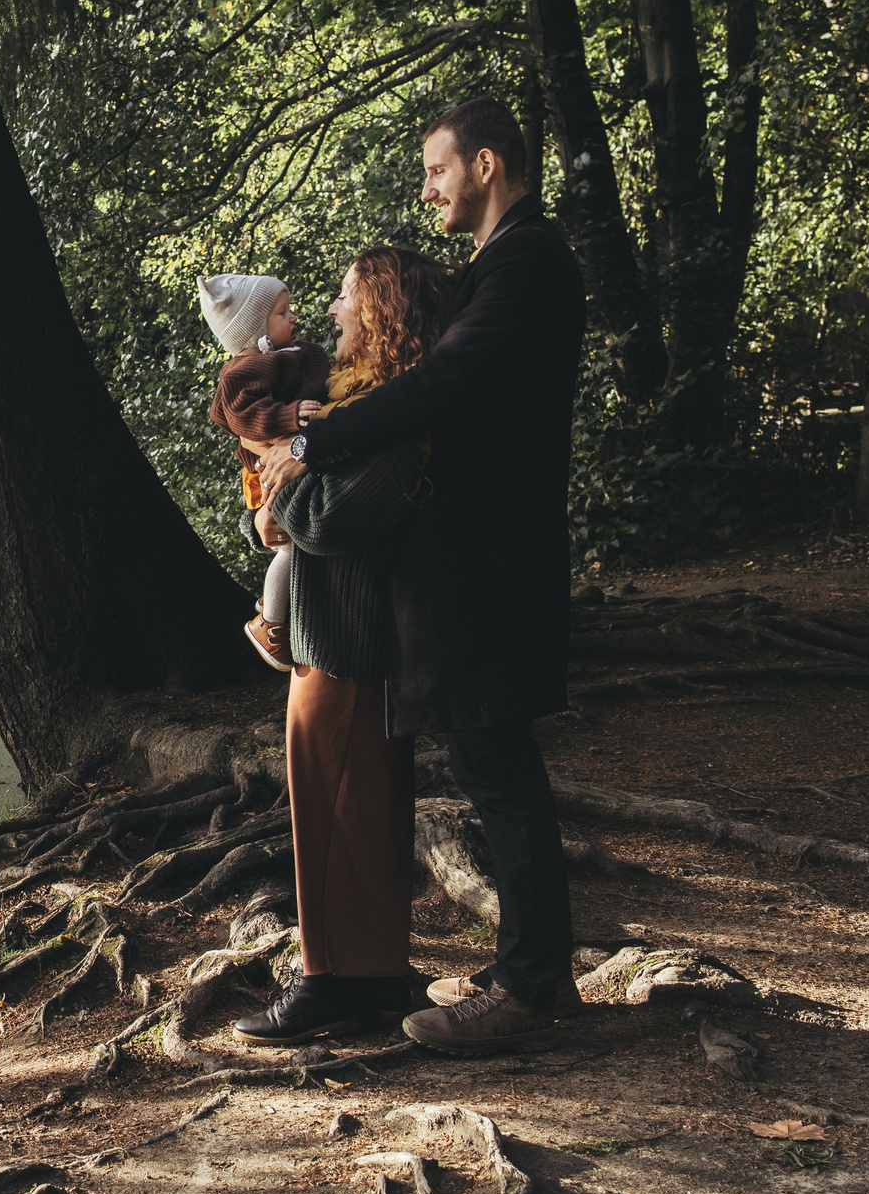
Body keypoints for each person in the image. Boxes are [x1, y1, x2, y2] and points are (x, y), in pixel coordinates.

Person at [257, 99, 588, 1055]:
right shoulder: (500, 265)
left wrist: (319, 442)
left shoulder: (528, 261)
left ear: (486, 164)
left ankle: (529, 988)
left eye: (438, 170)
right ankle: (531, 966)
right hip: (476, 559)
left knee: (499, 770)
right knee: (492, 765)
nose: (428, 187)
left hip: (491, 558)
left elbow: (445, 387)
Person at [229, 246, 451, 1045]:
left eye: (347, 295)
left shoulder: (390, 414)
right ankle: (376, 972)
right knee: (358, 813)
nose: (330, 310)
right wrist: (281, 479)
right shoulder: (349, 402)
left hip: (352, 647)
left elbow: (327, 520)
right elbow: (291, 498)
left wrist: (285, 484)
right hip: (335, 638)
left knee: (334, 814)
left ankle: (330, 983)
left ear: (383, 307)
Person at [198, 273, 331, 672]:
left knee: (297, 546)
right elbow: (241, 417)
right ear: (255, 328)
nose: (293, 318)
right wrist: (288, 416)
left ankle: (274, 606)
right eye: (282, 313)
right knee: (289, 546)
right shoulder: (245, 369)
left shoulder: (292, 353)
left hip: (294, 460)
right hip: (265, 473)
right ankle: (269, 623)